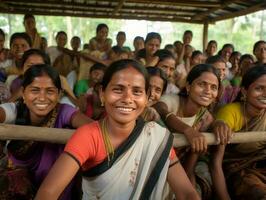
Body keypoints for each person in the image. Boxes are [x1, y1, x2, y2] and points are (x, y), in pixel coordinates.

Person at [36, 59, 200, 200]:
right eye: (118, 89)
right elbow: (48, 192)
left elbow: (186, 194)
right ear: (102, 94)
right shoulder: (89, 136)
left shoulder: (156, 137)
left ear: (146, 97)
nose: (127, 99)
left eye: (137, 91)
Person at [0, 64, 92, 199]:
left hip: (55, 187)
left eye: (50, 91)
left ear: (59, 94)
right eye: (35, 90)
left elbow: (93, 127)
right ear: (23, 93)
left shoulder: (64, 111)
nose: (42, 98)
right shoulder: (14, 110)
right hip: (16, 187)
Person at [153, 64, 226, 199]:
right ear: (188, 86)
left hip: (179, 171)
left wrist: (219, 123)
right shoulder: (173, 100)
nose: (207, 91)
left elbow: (189, 168)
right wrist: (187, 130)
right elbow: (160, 108)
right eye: (202, 84)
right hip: (153, 167)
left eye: (213, 87)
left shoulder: (205, 118)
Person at [213, 65, 266, 200]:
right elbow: (216, 163)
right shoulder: (230, 112)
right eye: (259, 89)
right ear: (244, 91)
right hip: (237, 171)